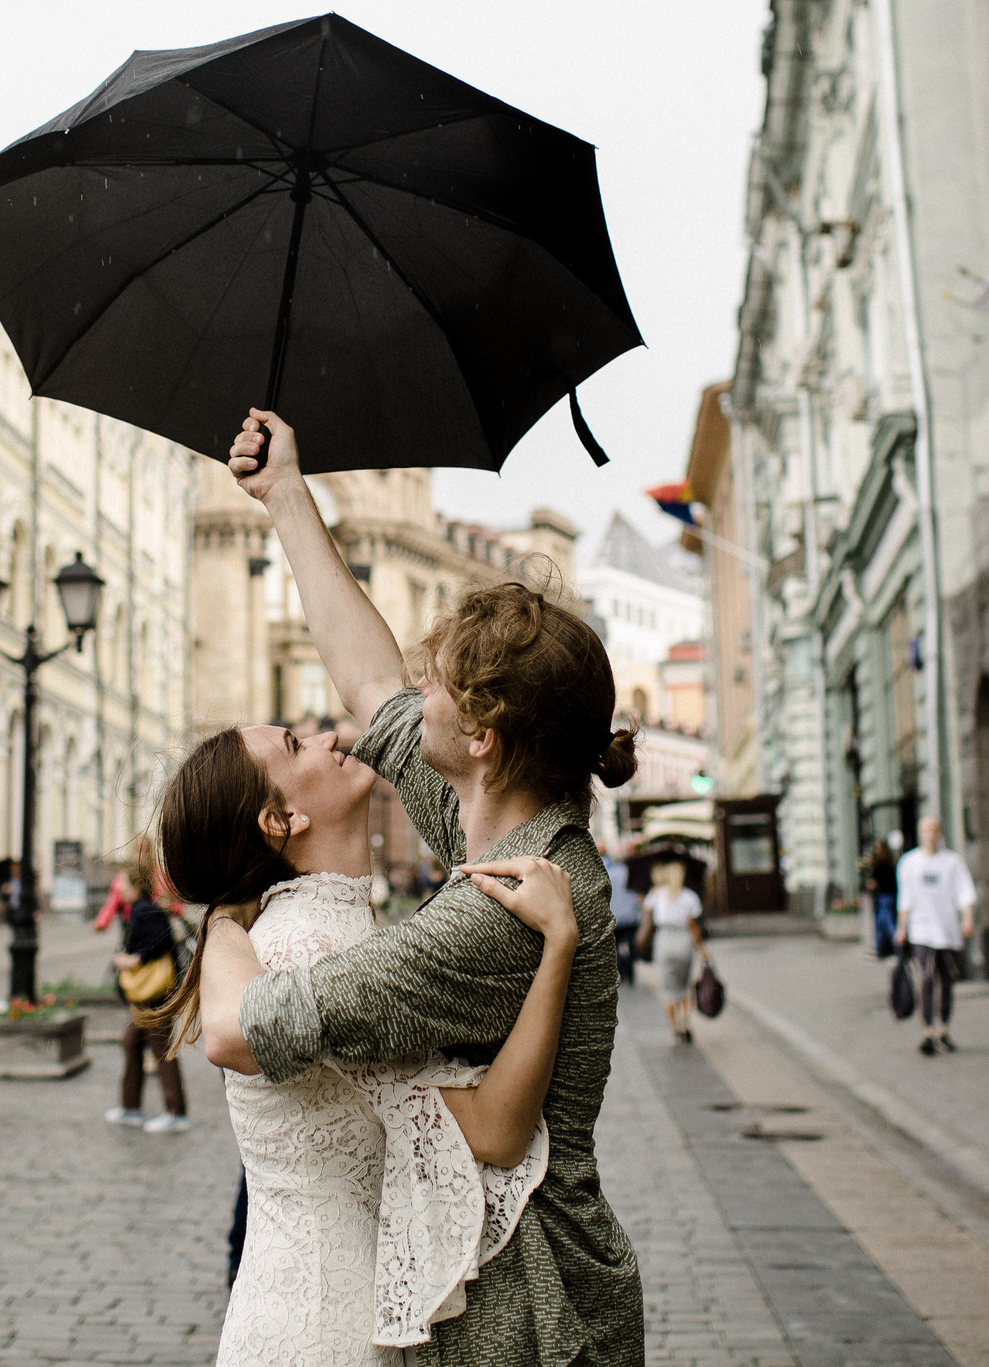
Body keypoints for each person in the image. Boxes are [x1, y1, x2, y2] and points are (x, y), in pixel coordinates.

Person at [199, 407, 645, 1366]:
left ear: (481, 736)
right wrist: (286, 495)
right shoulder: (504, 825)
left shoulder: (501, 908)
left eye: (433, 684)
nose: (412, 694)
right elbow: (370, 687)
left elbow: (242, 1029)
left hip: (527, 1307)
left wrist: (221, 922)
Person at [162, 721, 581, 1363]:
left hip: (307, 1307)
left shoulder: (302, 928)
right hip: (329, 1329)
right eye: (297, 745)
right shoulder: (312, 943)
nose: (328, 737)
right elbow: (496, 1130)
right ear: (281, 820)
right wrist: (559, 945)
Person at [105, 841, 188, 1133]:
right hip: (148, 995)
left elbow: (161, 940)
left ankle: (175, 1112)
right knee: (131, 1043)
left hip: (153, 994)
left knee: (161, 1049)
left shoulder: (143, 910)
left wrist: (134, 959)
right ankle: (131, 1108)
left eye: (123, 884)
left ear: (135, 886)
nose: (119, 889)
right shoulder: (139, 909)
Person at [894, 815, 975, 1056]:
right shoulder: (909, 863)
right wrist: (902, 928)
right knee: (927, 979)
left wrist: (967, 918)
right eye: (926, 830)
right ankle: (928, 1031)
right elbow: (905, 898)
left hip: (947, 931)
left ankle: (944, 1030)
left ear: (940, 833)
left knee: (947, 981)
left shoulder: (952, 862)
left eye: (934, 829)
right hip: (921, 931)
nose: (930, 834)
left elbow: (964, 893)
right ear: (920, 833)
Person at [640, 860, 705, 1043]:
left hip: (664, 941)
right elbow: (694, 927)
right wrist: (702, 949)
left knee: (668, 990)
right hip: (684, 941)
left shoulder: (656, 895)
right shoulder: (690, 897)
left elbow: (646, 913)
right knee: (684, 987)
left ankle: (675, 1030)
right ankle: (685, 1022)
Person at [605, 843, 641, 985]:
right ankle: (630, 971)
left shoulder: (608, 873)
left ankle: (621, 969)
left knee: (615, 946)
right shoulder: (631, 873)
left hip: (615, 916)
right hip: (631, 916)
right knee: (631, 946)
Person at [866, 836, 899, 958]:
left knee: (887, 923)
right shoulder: (889, 863)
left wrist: (874, 884)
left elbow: (876, 883)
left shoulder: (880, 865)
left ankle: (898, 947)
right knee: (880, 923)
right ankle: (879, 948)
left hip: (884, 897)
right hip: (887, 897)